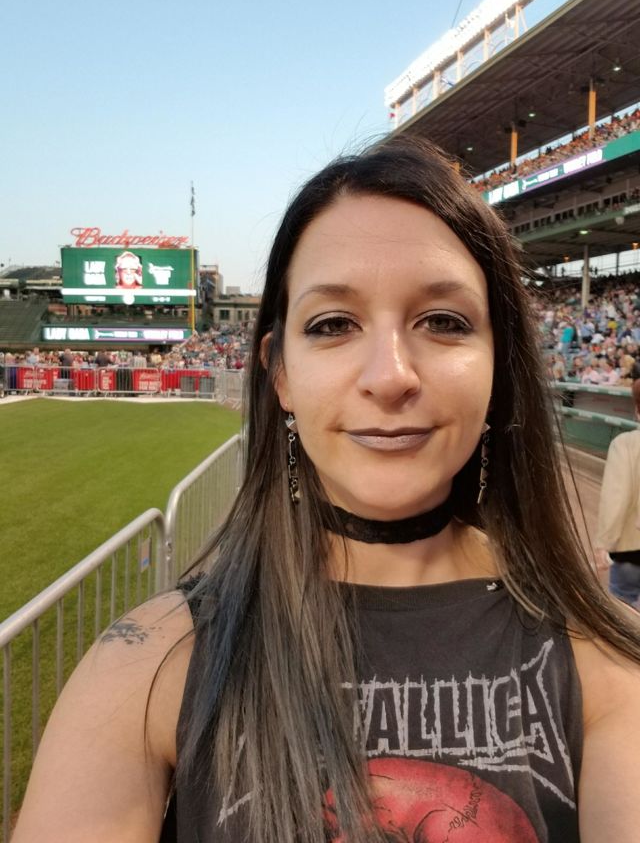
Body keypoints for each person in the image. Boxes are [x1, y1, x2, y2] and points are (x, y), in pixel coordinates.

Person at [12, 138, 640, 843]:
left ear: (499, 363)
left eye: (444, 321)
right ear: (279, 372)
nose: (390, 376)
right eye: (333, 325)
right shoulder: (145, 666)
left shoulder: (607, 660)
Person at [595, 379, 640, 607]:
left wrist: (604, 543)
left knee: (623, 612)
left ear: (637, 409)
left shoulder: (625, 444)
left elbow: (616, 499)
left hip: (632, 549)